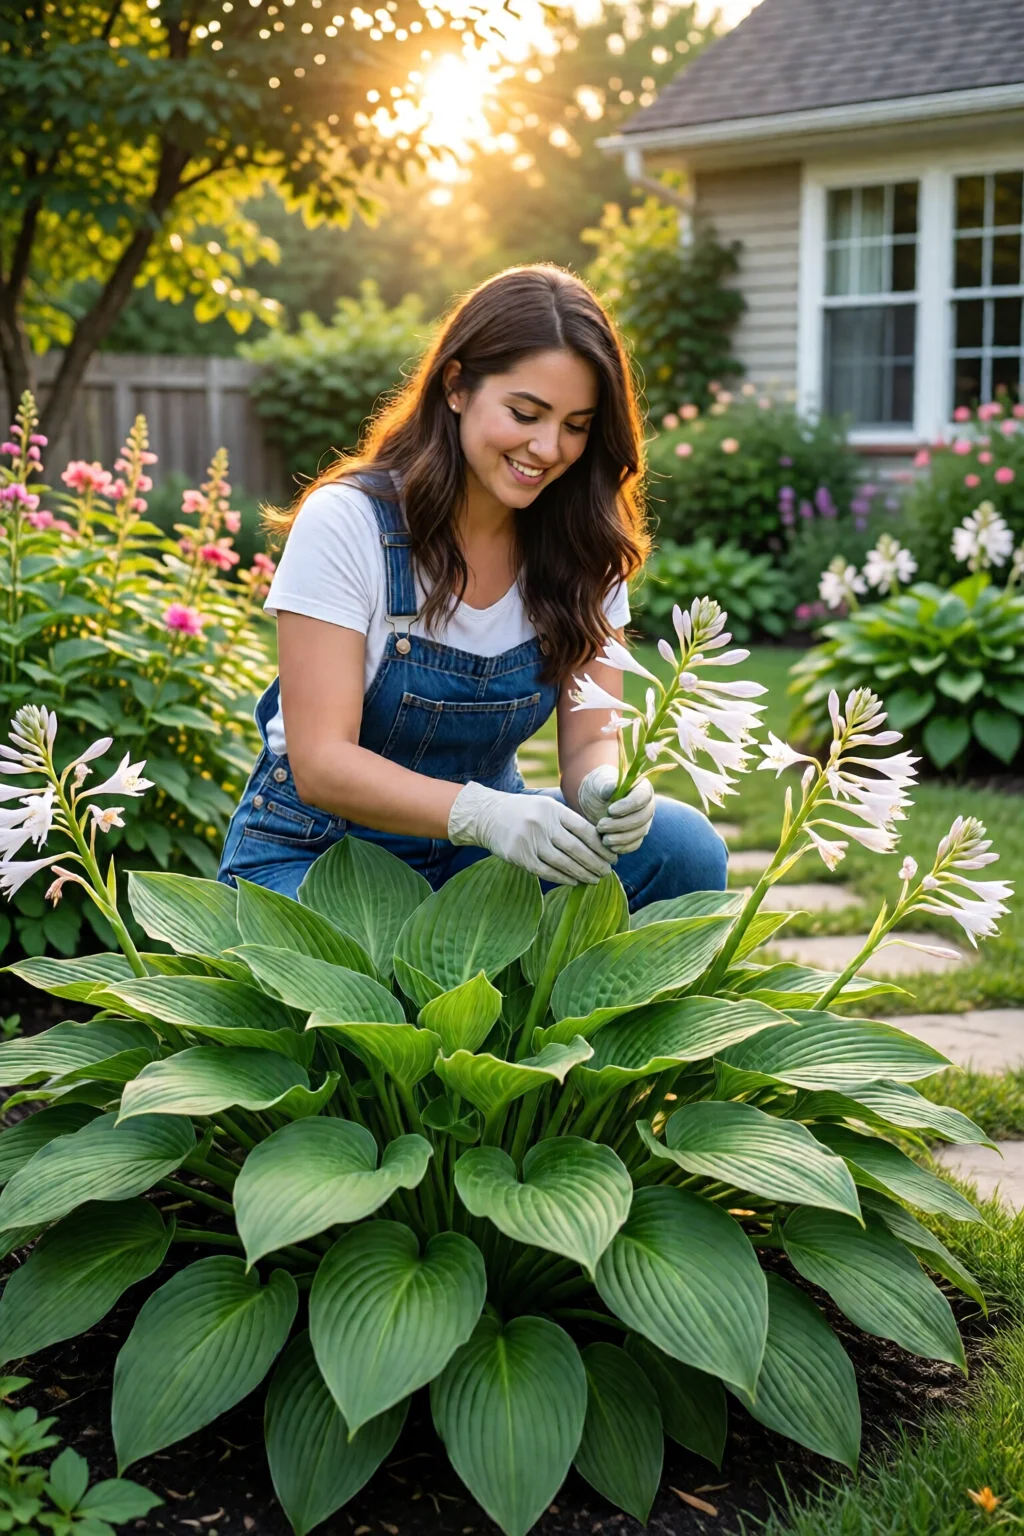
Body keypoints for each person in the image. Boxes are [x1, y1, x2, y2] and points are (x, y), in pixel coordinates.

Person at [218, 265, 727, 908]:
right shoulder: (348, 522)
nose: (548, 447)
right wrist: (485, 815)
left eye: (576, 424)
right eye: (525, 413)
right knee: (393, 975)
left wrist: (603, 783)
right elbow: (321, 763)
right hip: (318, 852)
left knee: (683, 850)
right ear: (456, 386)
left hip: (480, 855)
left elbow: (592, 735)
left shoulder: (582, 543)